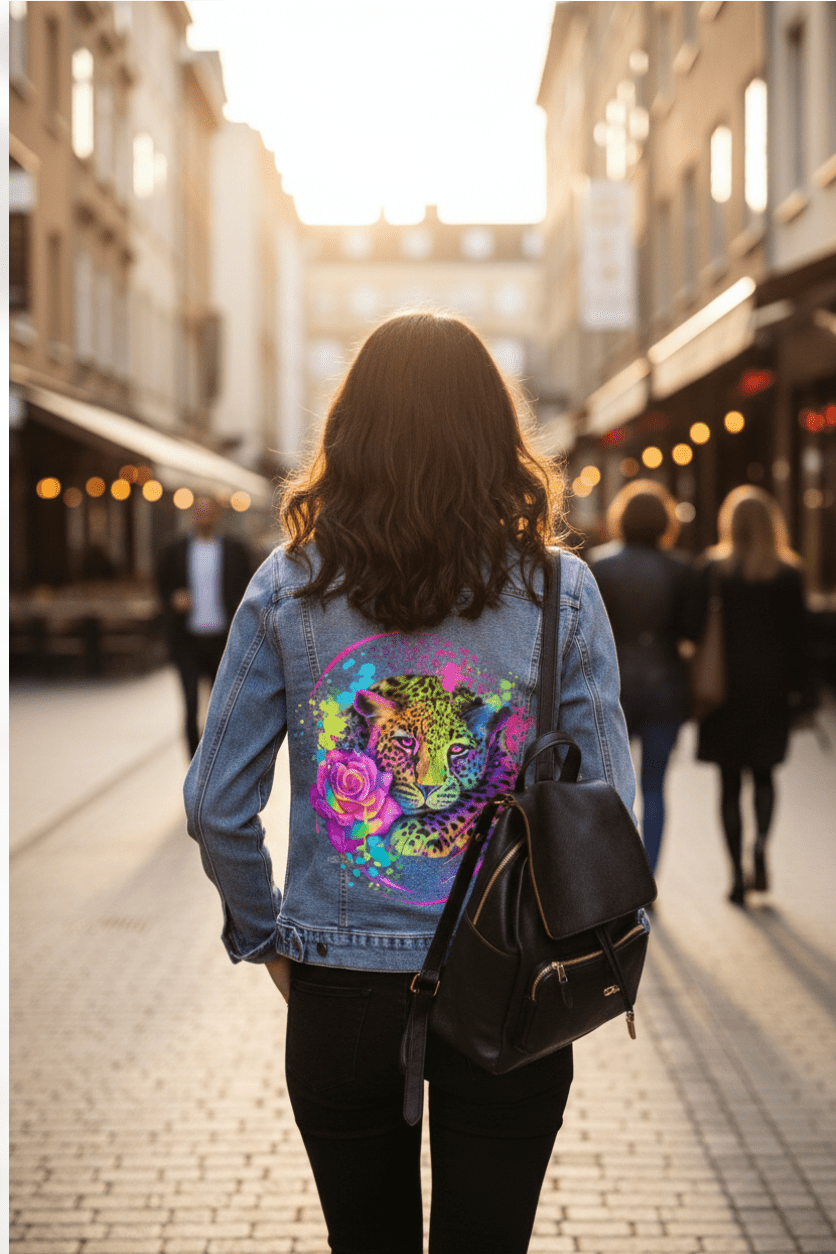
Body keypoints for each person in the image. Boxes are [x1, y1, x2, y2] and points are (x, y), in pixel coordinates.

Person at [183, 312, 636, 1254]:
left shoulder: (287, 585)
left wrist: (269, 938)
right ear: (496, 439)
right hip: (513, 982)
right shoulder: (561, 593)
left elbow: (215, 802)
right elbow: (611, 810)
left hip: (339, 991)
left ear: (349, 436)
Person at [696, 486, 811, 906]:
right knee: (764, 775)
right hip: (772, 691)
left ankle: (735, 877)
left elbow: (693, 628)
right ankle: (761, 846)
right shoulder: (788, 573)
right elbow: (802, 640)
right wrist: (805, 698)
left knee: (728, 785)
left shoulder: (713, 569)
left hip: (723, 690)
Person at [588, 481, 700, 878]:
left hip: (610, 689)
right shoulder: (682, 569)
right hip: (665, 688)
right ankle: (648, 875)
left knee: (610, 788)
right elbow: (692, 632)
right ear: (665, 522)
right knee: (655, 788)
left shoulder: (600, 566)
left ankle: (617, 878)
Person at [157, 495, 255, 757]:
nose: (204, 516)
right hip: (187, 641)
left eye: (208, 511)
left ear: (217, 515)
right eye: (199, 511)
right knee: (190, 706)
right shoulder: (175, 549)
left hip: (222, 641)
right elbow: (161, 588)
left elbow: (251, 589)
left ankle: (215, 761)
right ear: (192, 515)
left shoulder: (235, 550)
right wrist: (173, 599)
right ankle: (192, 766)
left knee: (220, 708)